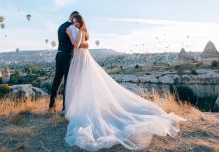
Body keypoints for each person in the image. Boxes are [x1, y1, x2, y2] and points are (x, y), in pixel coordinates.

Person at [64, 14, 186, 151]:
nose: (74, 24)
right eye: (73, 22)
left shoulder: (80, 31)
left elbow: (77, 44)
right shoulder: (83, 31)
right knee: (85, 85)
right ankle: (85, 108)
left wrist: (69, 34)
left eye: (76, 21)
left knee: (85, 85)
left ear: (81, 22)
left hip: (82, 59)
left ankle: (88, 110)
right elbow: (84, 45)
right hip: (82, 58)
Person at [49, 11, 88, 112]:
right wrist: (86, 45)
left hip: (59, 54)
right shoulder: (72, 28)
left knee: (56, 80)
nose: (74, 22)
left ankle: (51, 105)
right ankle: (65, 107)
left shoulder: (60, 27)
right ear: (72, 18)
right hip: (68, 56)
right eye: (74, 20)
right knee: (68, 81)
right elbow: (76, 44)